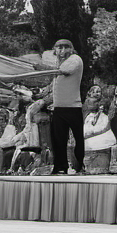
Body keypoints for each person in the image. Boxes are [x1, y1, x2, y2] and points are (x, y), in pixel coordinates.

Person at [45, 39, 85, 175]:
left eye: (65, 48)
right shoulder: (58, 65)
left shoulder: (75, 59)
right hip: (59, 108)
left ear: (71, 49)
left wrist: (43, 68)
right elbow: (55, 84)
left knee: (78, 138)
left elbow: (66, 71)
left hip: (73, 107)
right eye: (59, 48)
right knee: (58, 140)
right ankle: (60, 167)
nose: (61, 51)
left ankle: (80, 165)